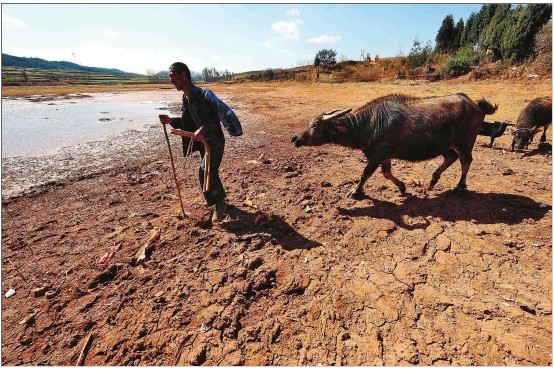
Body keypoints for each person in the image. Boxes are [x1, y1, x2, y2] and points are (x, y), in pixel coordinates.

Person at [159, 62, 243, 222]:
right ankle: (215, 199)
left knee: (207, 171)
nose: (171, 80)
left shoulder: (203, 95)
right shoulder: (186, 97)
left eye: (172, 76)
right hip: (204, 143)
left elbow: (214, 119)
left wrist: (202, 129)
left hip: (215, 141)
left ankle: (220, 203)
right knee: (206, 172)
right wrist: (170, 120)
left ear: (183, 75)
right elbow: (186, 121)